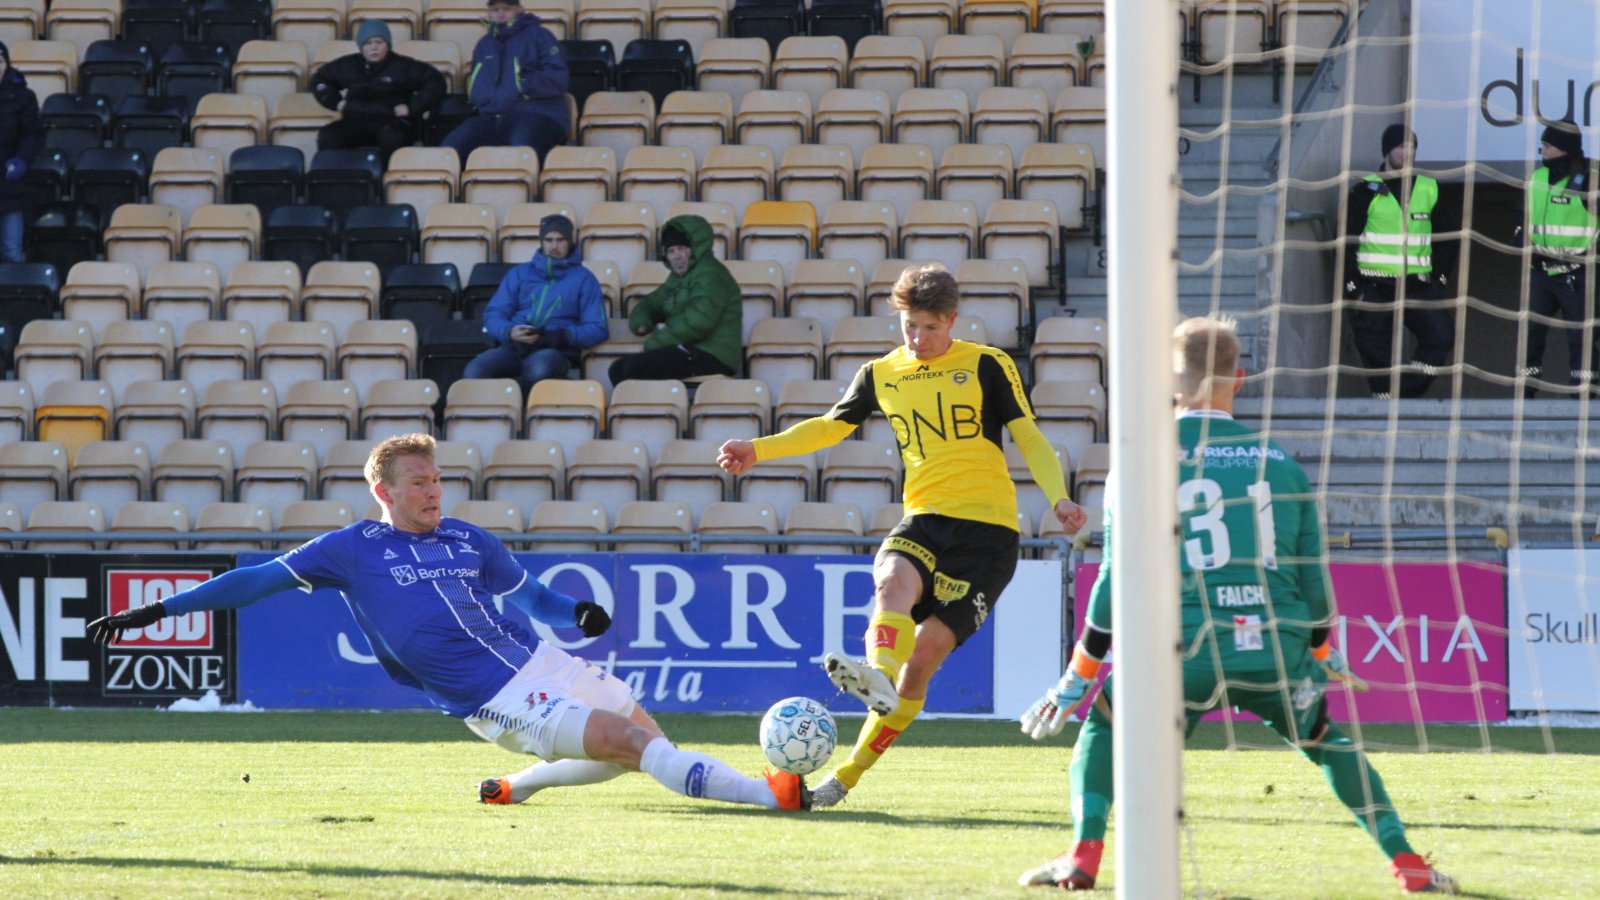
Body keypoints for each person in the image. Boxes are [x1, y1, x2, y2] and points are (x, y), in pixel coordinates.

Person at [87, 433, 810, 812]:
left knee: (645, 745)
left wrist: (577, 613)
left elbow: (531, 599)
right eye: (419, 483)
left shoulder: (468, 537)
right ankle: (770, 793)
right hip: (491, 695)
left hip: (542, 661)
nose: (434, 493)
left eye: (437, 480)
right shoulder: (349, 548)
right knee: (632, 744)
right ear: (383, 491)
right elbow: (252, 583)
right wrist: (158, 608)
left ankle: (518, 785)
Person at [1016, 316, 1458, 895]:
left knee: (1105, 722)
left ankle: (1083, 857)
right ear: (1240, 379)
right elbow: (1312, 580)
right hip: (1273, 646)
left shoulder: (1141, 462)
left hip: (1183, 651)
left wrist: (1079, 674)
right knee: (1326, 740)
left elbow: (1113, 580)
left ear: (1169, 381)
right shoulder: (1280, 463)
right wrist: (1320, 649)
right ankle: (1408, 864)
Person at [717, 263, 1087, 809]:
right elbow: (831, 426)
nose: (918, 338)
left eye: (929, 328)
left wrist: (1058, 497)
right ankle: (877, 676)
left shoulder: (987, 364)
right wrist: (759, 448)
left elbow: (1028, 436)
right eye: (909, 326)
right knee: (891, 582)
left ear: (952, 321)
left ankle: (845, 777)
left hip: (988, 534)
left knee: (925, 659)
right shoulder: (882, 373)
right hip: (925, 517)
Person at [1342, 124, 1457, 400]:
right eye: (1401, 146)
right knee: (1374, 350)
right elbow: (1345, 241)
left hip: (1418, 286)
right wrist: (1353, 288)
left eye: (1412, 147)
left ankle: (1406, 394)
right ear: (1386, 151)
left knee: (1441, 336)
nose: (1408, 153)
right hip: (1375, 286)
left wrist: (1439, 279)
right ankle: (1384, 402)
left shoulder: (1428, 188)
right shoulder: (1365, 190)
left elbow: (1449, 237)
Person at [464, 214, 606, 392]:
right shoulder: (519, 273)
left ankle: (519, 404)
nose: (554, 246)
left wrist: (564, 336)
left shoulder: (585, 278)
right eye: (549, 240)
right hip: (514, 346)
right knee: (475, 371)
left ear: (569, 242)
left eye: (560, 240)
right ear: (541, 242)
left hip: (556, 350)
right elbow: (494, 314)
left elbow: (598, 328)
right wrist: (509, 332)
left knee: (539, 371)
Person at [609, 215, 743, 385]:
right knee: (621, 368)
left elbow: (699, 322)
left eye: (681, 248)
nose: (677, 256)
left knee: (628, 368)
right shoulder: (679, 278)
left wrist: (656, 342)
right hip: (690, 350)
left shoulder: (711, 275)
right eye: (671, 251)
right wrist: (642, 321)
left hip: (714, 354)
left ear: (696, 248)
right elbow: (652, 303)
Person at [1520, 117, 1600, 396]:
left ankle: (1583, 395)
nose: (1542, 150)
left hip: (1576, 273)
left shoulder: (1589, 178)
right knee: (1530, 334)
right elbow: (1523, 214)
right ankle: (1525, 391)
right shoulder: (1537, 178)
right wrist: (1520, 235)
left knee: (1581, 338)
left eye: (1547, 145)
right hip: (1541, 272)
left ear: (1564, 148)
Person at [443, 0, 569, 163]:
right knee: (447, 154)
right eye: (495, 9)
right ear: (488, 13)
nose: (500, 13)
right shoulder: (484, 43)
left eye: (506, 9)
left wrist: (522, 83)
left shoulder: (540, 35)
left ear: (520, 10)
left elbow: (558, 79)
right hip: (491, 118)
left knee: (520, 154)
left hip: (538, 114)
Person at [311, 20, 446, 164]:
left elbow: (436, 81)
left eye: (379, 42)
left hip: (393, 122)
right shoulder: (349, 65)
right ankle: (337, 176)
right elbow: (320, 80)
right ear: (361, 46)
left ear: (387, 44)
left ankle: (388, 176)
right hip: (355, 120)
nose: (373, 47)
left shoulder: (403, 66)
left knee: (392, 137)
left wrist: (412, 107)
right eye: (368, 43)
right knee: (328, 136)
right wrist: (336, 103)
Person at [0, 40, 42, 264]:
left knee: (12, 253)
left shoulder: (24, 97)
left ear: (7, 64)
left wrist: (21, 160)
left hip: (10, 187)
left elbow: (33, 134)